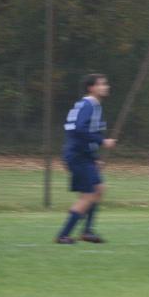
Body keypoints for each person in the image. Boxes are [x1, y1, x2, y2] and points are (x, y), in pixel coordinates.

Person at [55, 74, 116, 244]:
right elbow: (78, 130)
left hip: (84, 155)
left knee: (99, 189)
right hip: (77, 156)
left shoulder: (92, 106)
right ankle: (63, 235)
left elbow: (86, 133)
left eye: (106, 84)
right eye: (102, 84)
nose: (106, 87)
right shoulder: (88, 105)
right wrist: (102, 141)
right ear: (92, 88)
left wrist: (94, 157)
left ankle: (87, 231)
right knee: (88, 196)